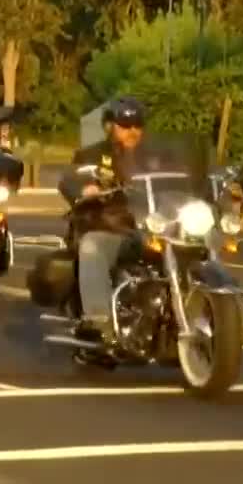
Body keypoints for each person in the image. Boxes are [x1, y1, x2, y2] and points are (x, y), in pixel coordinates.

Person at [57, 96, 149, 345]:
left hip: (153, 229)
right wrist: (83, 190)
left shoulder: (154, 157)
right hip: (112, 227)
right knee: (91, 246)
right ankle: (98, 319)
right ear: (110, 126)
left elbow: (181, 178)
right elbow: (69, 180)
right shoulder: (93, 155)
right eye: (125, 125)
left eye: (137, 125)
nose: (132, 131)